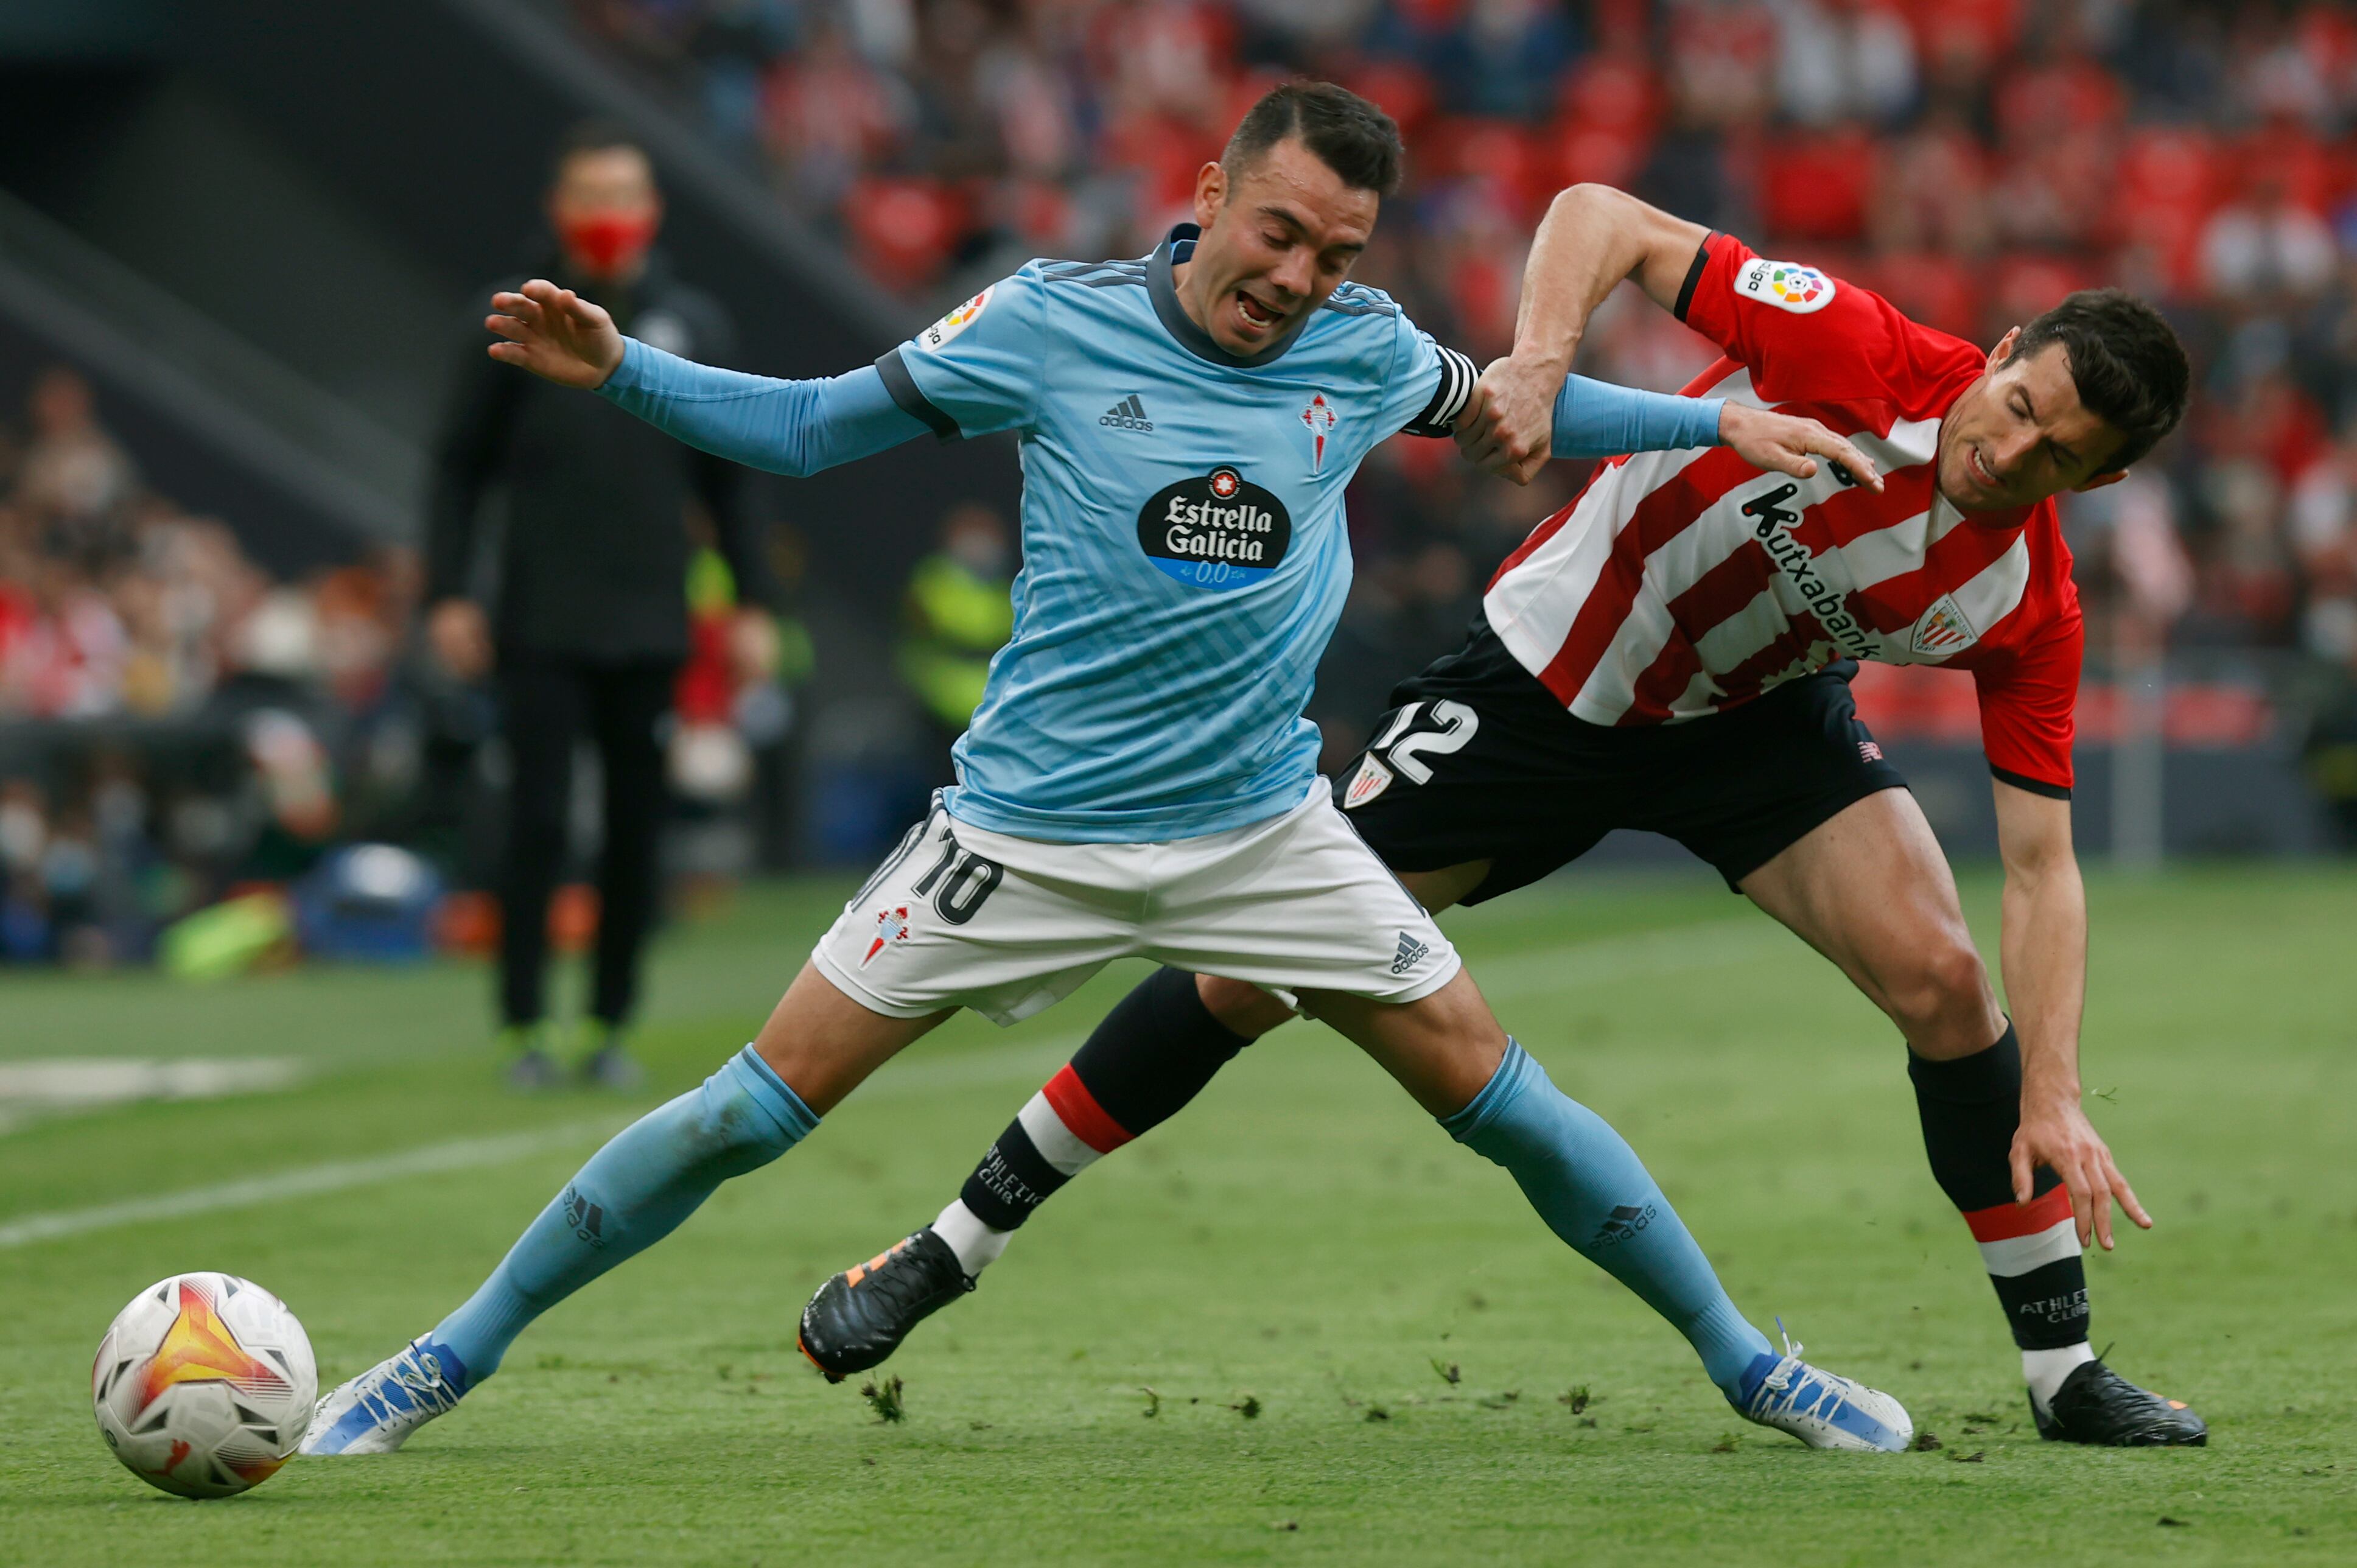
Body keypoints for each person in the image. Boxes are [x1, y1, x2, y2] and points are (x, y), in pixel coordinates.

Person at [303, 85, 1911, 1461]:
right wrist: (625, 372)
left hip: (1266, 833)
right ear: (1210, 194)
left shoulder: (1362, 351)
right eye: (1277, 232)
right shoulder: (1043, 324)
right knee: (747, 1114)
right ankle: (449, 1357)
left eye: (1334, 254)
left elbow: (1509, 413)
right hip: (1024, 831)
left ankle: (1747, 1364)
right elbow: (804, 431)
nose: (1294, 278)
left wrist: (1713, 432)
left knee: (1501, 1097)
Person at [803, 184, 2212, 1449]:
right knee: (1250, 977)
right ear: (2007, 348)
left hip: (1749, 731)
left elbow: (2041, 870)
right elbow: (1599, 213)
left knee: (1951, 986)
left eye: (2052, 459)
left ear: (2097, 484)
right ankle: (950, 1245)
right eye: (2017, 407)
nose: (2006, 452)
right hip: (1545, 680)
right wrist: (1538, 364)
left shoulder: (2027, 604)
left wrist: (2057, 1088)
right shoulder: (1856, 349)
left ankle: (2065, 1374)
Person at [424, 121, 782, 1088]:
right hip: (539, 618)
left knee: (635, 830)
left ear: (651, 209)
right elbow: (459, 471)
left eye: (625, 195)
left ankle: (609, 1024)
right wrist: (449, 593)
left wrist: (753, 603)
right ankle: (521, 1024)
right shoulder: (505, 321)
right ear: (560, 209)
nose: (609, 215)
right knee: (535, 825)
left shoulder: (691, 327)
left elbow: (732, 479)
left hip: (652, 622)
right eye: (592, 196)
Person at [897, 503, 1014, 783]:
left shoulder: (1006, 585)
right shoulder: (932, 581)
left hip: (993, 712)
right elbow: (942, 627)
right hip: (940, 710)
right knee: (938, 784)